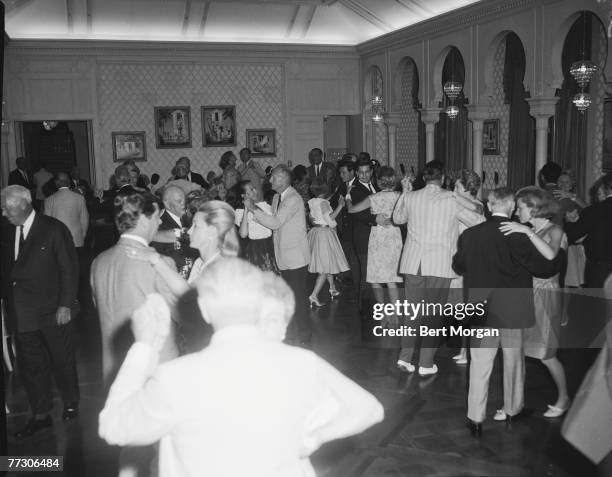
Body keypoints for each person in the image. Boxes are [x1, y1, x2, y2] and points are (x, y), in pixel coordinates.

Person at [99, 258, 384, 477]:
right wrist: (313, 438)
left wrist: (144, 346)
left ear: (204, 309)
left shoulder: (176, 376)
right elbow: (369, 409)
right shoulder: (301, 362)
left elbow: (114, 427)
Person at [452, 187, 562, 437]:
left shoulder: (470, 235)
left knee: (480, 363)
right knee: (513, 361)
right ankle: (513, 409)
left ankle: (475, 419)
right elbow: (545, 269)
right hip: (513, 307)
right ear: (511, 208)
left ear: (490, 206)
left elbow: (458, 266)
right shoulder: (520, 236)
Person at [1, 185, 80, 438]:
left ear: (23, 205)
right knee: (31, 366)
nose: (3, 213)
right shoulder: (5, 229)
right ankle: (41, 414)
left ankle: (70, 402)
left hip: (52, 309)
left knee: (61, 359)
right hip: (21, 312)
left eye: (7, 208)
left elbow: (69, 269)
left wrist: (65, 304)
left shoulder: (54, 229)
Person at [392, 160, 483, 376]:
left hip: (414, 264)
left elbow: (397, 218)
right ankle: (425, 364)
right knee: (433, 316)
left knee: (412, 314)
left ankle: (405, 359)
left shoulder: (412, 197)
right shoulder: (450, 200)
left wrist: (405, 193)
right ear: (442, 178)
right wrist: (457, 196)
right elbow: (479, 220)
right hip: (439, 265)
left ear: (424, 177)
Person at [499, 187, 569, 418]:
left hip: (546, 297)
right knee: (517, 351)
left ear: (535, 208)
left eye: (521, 207)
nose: (517, 211)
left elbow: (550, 255)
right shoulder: (527, 229)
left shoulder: (555, 230)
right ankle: (513, 403)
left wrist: (525, 232)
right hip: (526, 295)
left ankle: (564, 398)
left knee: (546, 354)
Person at [246, 165, 311, 345]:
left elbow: (275, 223)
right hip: (283, 254)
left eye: (273, 178)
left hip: (296, 256)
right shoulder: (276, 197)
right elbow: (274, 225)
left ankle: (305, 336)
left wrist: (253, 209)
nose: (270, 180)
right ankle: (290, 333)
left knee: (298, 297)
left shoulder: (293, 199)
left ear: (283, 178)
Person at [346, 166, 402, 319]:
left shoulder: (374, 198)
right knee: (391, 279)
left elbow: (351, 210)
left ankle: (383, 313)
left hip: (378, 238)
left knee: (376, 278)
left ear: (378, 181)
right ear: (394, 180)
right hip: (394, 237)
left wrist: (348, 198)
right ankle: (396, 314)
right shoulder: (400, 196)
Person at [450, 170, 484, 365]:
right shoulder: (469, 204)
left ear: (464, 188)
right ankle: (464, 349)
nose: (453, 189)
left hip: (468, 260)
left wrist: (451, 195)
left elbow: (477, 212)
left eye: (456, 186)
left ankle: (467, 351)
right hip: (460, 257)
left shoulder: (475, 206)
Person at [348, 158, 390, 308]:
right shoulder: (354, 189)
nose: (364, 175)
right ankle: (364, 309)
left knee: (378, 274)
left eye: (367, 172)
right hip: (364, 237)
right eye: (361, 172)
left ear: (372, 172)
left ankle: (377, 307)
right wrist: (375, 219)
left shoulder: (378, 187)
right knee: (367, 274)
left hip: (379, 237)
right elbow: (356, 213)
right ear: (356, 173)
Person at [564, 173, 612, 288]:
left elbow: (572, 236)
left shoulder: (593, 211)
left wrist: (570, 222)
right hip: (601, 268)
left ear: (605, 188)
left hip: (601, 270)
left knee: (599, 305)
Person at [306, 178, 348, 307]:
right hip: (324, 233)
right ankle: (314, 295)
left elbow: (312, 216)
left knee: (326, 262)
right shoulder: (324, 202)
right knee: (324, 267)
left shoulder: (312, 201)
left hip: (315, 232)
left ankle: (332, 287)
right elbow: (329, 219)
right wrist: (340, 205)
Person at [233, 180, 279, 273]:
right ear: (243, 195)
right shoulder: (239, 212)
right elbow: (243, 234)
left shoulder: (264, 206)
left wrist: (252, 207)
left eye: (254, 188)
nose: (255, 191)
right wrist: (246, 209)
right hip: (256, 249)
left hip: (270, 244)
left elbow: (270, 222)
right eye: (251, 190)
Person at [44, 172, 89, 255]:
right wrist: (83, 234)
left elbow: (47, 222)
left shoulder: (49, 200)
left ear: (56, 182)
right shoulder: (79, 198)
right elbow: (84, 219)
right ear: (69, 181)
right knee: (76, 265)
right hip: (76, 238)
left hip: (57, 239)